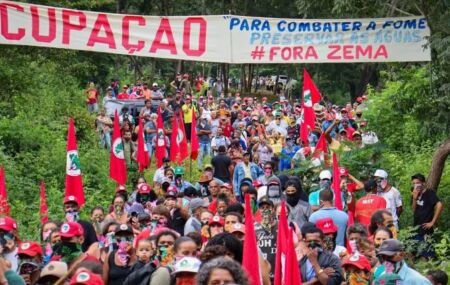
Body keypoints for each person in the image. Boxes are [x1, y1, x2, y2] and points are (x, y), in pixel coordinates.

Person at [411, 173, 443, 239]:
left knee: (426, 248)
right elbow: (414, 211)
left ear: (423, 183)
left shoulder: (429, 193)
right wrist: (414, 198)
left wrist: (432, 222)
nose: (416, 185)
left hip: (426, 229)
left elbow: (440, 205)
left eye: (418, 183)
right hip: (416, 228)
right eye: (414, 183)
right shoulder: (414, 193)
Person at [254, 196, 277, 281]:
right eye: (262, 208)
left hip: (278, 271)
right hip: (262, 272)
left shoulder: (282, 226)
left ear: (273, 209)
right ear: (259, 210)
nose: (265, 210)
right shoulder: (254, 228)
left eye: (268, 207)